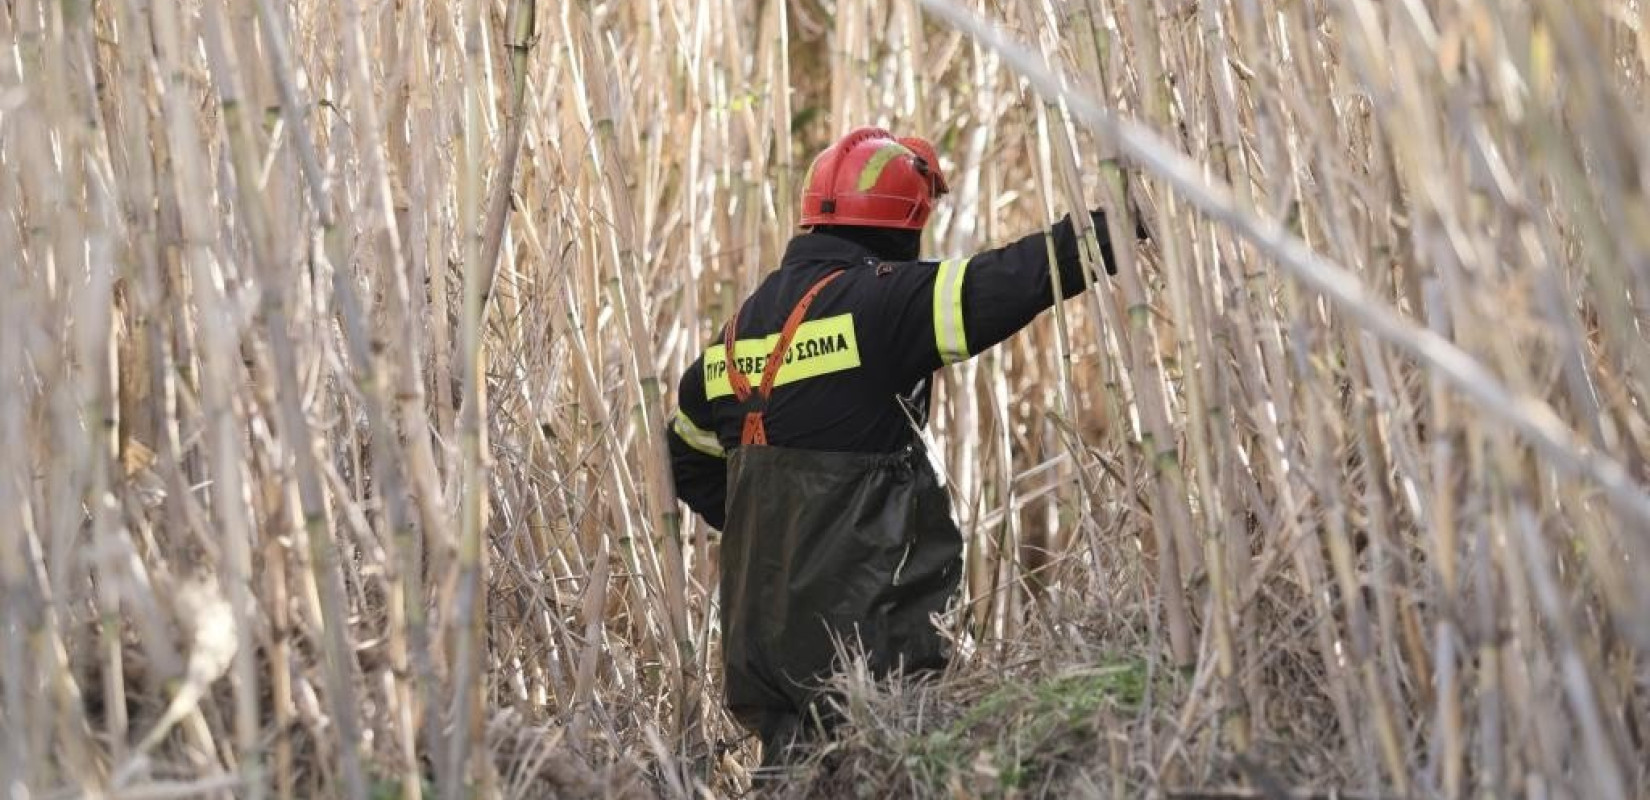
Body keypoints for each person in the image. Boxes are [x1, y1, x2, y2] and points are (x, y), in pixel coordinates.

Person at [665, 127, 1129, 766]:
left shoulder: (732, 336)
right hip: (870, 641)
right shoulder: (881, 304)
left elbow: (685, 459)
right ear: (903, 229)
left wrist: (782, 530)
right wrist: (1121, 225)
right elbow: (1008, 280)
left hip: (764, 647)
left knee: (790, 775)